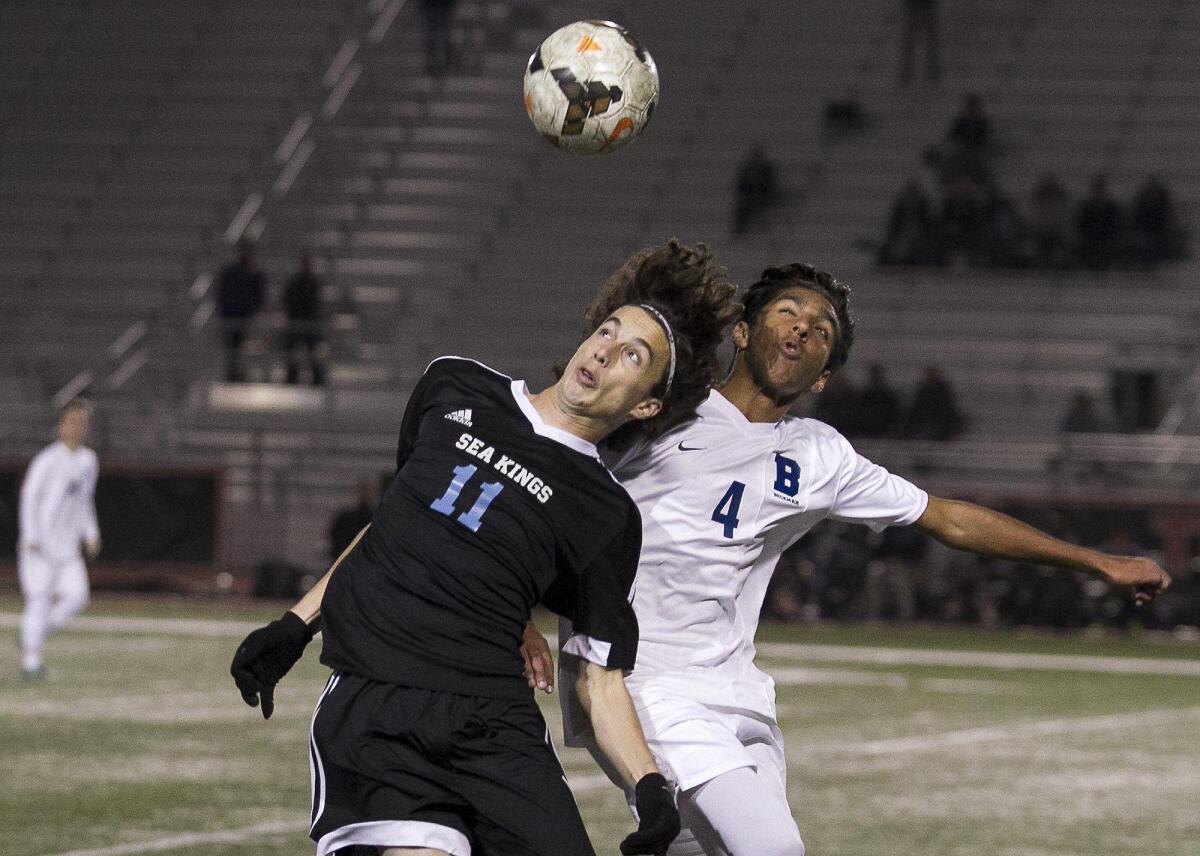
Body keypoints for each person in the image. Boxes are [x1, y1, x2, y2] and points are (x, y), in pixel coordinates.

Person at [528, 262, 1170, 856]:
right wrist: (515, 613)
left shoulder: (819, 455)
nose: (803, 329)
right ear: (744, 332)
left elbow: (947, 517)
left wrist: (1097, 562)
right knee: (772, 848)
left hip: (734, 688)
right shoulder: (662, 406)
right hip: (639, 679)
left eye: (821, 330)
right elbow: (541, 489)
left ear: (825, 374)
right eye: (789, 313)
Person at [229, 240, 741, 856]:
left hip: (497, 726)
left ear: (648, 402)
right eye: (607, 331)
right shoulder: (454, 384)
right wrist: (294, 625)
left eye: (633, 354)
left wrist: (649, 788)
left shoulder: (607, 514)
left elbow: (600, 680)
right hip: (382, 704)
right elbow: (397, 530)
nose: (605, 350)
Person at [17, 400, 100, 681]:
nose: (76, 428)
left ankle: (33, 634)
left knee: (78, 596)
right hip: (39, 545)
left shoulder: (89, 460)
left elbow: (84, 500)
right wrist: (31, 534)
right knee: (38, 599)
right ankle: (31, 663)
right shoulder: (47, 459)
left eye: (81, 423)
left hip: (67, 547)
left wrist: (91, 532)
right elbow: (29, 497)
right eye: (71, 422)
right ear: (61, 425)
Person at [215, 239, 266, 382]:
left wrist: (251, 311)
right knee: (231, 347)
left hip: (243, 315)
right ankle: (231, 372)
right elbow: (222, 292)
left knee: (238, 346)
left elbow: (258, 296)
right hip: (230, 314)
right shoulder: (231, 272)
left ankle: (237, 372)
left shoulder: (254, 274)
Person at [283, 250, 326, 386]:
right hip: (297, 320)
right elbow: (287, 299)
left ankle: (315, 379)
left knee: (311, 352)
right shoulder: (295, 282)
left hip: (309, 321)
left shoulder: (313, 282)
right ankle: (292, 377)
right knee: (293, 352)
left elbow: (317, 302)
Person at [902, 364, 966, 440]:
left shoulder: (942, 391)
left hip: (939, 422)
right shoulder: (923, 390)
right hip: (926, 421)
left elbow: (946, 409)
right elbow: (916, 408)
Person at [1075, 174, 1122, 270]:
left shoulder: (1111, 207)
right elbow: (1081, 225)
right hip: (1089, 238)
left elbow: (1115, 226)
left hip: (1107, 239)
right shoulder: (1086, 208)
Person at [732, 144, 778, 235]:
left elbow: (770, 186)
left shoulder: (767, 170)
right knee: (743, 208)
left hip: (764, 198)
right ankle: (738, 232)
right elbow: (741, 186)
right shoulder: (746, 170)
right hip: (749, 198)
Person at [327, 477, 377, 562]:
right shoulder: (346, 518)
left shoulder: (376, 517)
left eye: (367, 491)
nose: (364, 494)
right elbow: (336, 537)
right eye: (362, 490)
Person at [899, 0, 941, 85]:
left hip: (920, 7)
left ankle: (908, 72)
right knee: (928, 40)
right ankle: (931, 72)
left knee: (911, 40)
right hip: (922, 7)